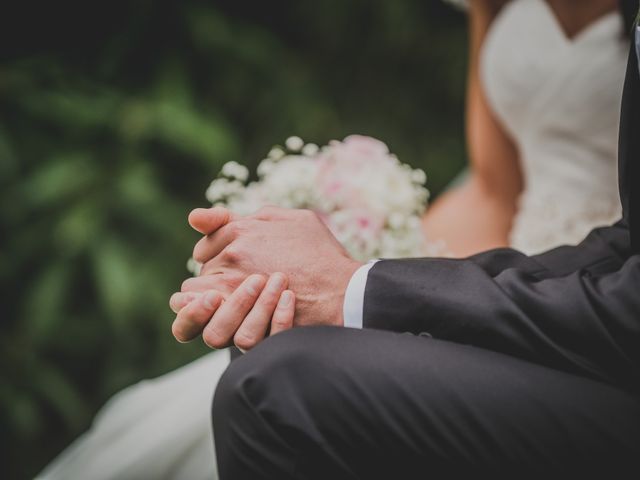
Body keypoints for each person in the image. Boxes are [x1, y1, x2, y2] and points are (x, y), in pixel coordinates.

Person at [36, 0, 637, 478]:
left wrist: (358, 287)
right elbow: (501, 191)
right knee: (254, 351)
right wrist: (344, 267)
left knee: (277, 384)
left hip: (596, 329)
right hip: (553, 278)